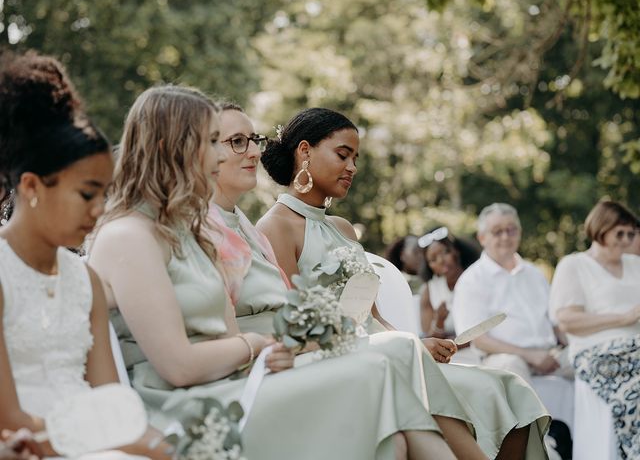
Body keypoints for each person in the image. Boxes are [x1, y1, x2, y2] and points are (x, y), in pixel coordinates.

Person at [88, 88, 459, 460]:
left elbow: (229, 331)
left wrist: (270, 355)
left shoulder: (193, 234)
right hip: (185, 407)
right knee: (374, 379)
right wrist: (257, 347)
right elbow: (179, 366)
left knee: (387, 427)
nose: (221, 156)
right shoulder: (128, 236)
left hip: (235, 378)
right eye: (212, 142)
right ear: (171, 147)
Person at [257, 107, 551, 460]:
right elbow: (297, 329)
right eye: (342, 154)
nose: (352, 167)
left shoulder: (343, 229)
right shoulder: (275, 228)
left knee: (506, 388)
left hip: (396, 353)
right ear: (304, 151)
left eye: (356, 158)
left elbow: (375, 318)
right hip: (346, 363)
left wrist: (419, 343)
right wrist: (403, 349)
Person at [0, 52, 167, 458]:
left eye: (104, 194)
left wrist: (149, 441)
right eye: (86, 194)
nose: (98, 210)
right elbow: (10, 419)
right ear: (32, 187)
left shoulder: (85, 279)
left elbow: (111, 401)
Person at [550, 200, 640, 459]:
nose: (625, 241)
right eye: (618, 234)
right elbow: (568, 321)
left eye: (630, 234)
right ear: (600, 230)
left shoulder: (635, 264)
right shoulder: (574, 265)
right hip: (594, 352)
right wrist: (624, 317)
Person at [452, 203, 569, 384]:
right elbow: (478, 339)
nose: (505, 236)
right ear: (482, 238)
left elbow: (555, 323)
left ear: (519, 233)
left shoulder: (534, 273)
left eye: (511, 230)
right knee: (511, 367)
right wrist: (529, 355)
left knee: (590, 356)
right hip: (503, 357)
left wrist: (574, 344)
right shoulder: (472, 280)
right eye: (497, 231)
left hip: (550, 354)